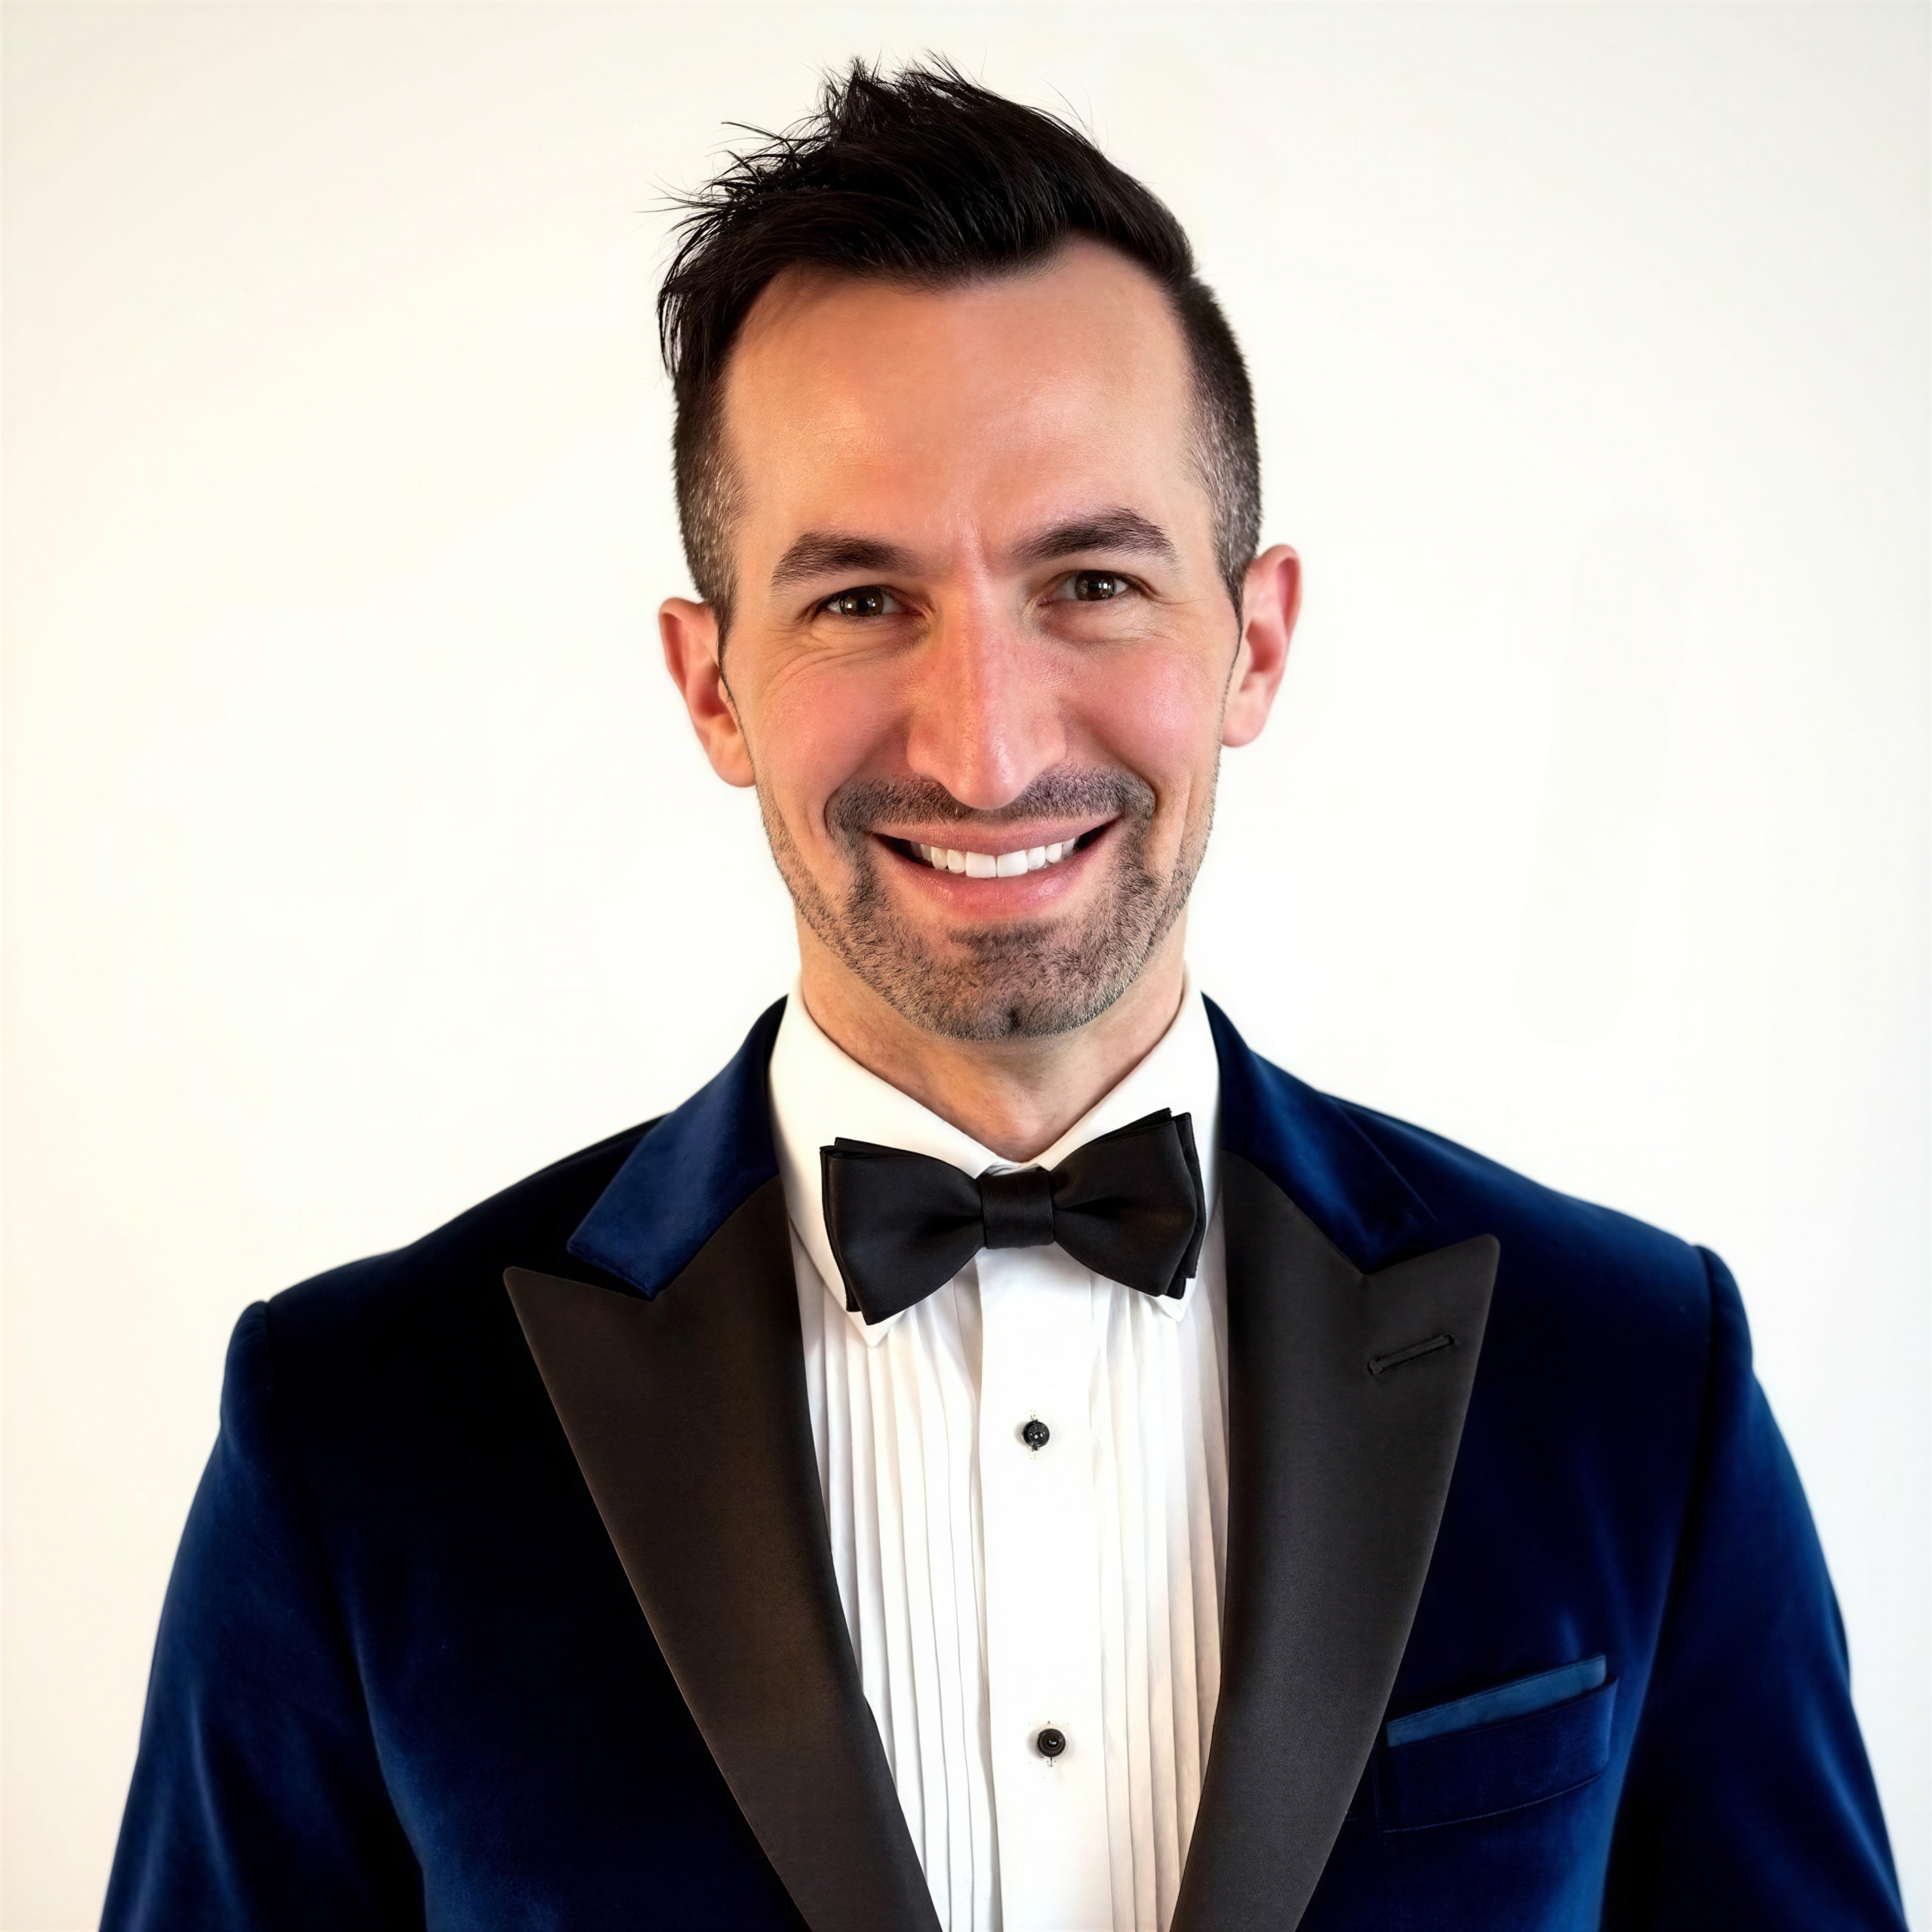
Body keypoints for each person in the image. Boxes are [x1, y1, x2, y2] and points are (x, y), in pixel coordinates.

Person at [103, 60, 1904, 1932]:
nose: (986, 746)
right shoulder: (354, 1429)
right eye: (858, 601)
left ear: (1253, 639)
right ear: (711, 685)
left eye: (1092, 580)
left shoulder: (1631, 1376)